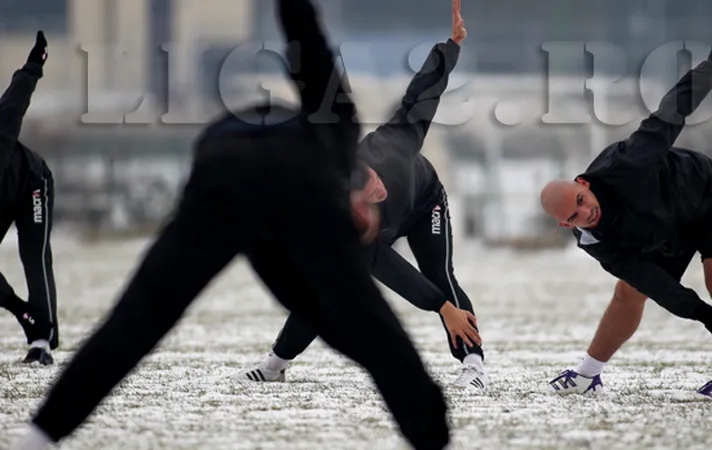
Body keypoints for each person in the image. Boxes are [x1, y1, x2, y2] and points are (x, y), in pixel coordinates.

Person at [10, 1, 451, 449]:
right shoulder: (337, 137)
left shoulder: (336, 131)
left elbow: (305, 40)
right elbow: (307, 42)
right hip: (248, 187)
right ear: (363, 196)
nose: (369, 224)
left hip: (222, 181)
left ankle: (38, 437)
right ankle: (432, 435)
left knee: (138, 320)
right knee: (366, 330)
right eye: (368, 222)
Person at [233, 0, 487, 391]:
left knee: (440, 274)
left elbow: (424, 92)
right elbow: (398, 276)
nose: (377, 188)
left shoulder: (394, 142)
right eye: (367, 192)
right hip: (364, 233)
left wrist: (450, 46)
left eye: (372, 179)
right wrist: (440, 306)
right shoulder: (346, 227)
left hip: (424, 202)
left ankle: (473, 365)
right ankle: (276, 364)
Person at [538, 21, 712, 401]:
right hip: (669, 227)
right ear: (563, 224)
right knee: (629, 291)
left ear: (583, 186)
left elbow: (672, 111)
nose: (584, 215)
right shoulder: (593, 239)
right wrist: (705, 316)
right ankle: (587, 375)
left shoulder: (628, 163)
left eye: (581, 203)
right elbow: (654, 282)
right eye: (573, 217)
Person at [0, 30, 59, 366]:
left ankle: (43, 342)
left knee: (34, 258)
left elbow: (15, 98)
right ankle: (27, 316)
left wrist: (34, 64)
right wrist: (19, 308)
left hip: (31, 183)